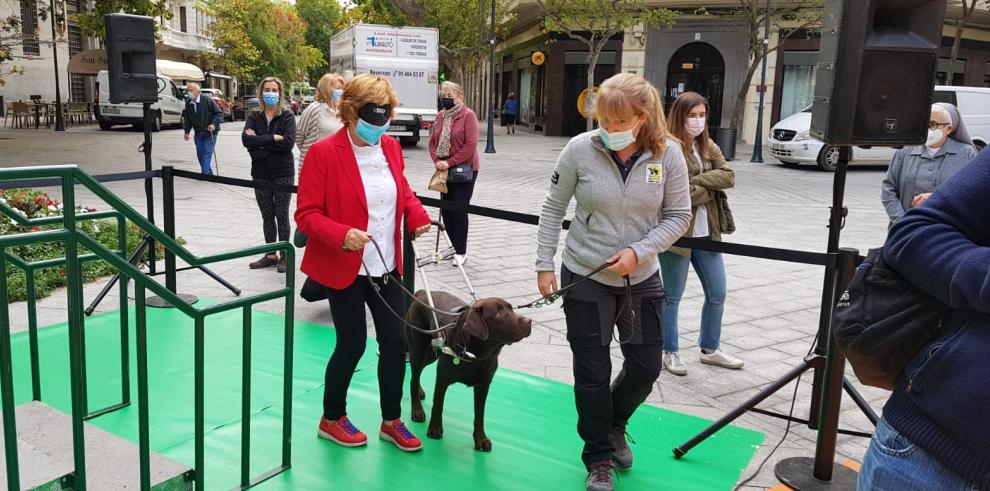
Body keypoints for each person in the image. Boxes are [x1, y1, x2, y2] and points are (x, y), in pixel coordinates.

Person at [535, 73, 691, 491]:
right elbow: (553, 208)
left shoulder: (669, 154)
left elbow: (679, 216)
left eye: (620, 122)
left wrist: (640, 251)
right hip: (585, 274)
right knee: (592, 370)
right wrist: (543, 264)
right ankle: (598, 457)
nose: (610, 130)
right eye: (603, 119)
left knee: (645, 366)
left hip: (640, 278)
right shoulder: (579, 150)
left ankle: (614, 424)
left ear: (643, 117)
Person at [295, 74, 432, 453]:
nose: (378, 128)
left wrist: (417, 214)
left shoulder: (389, 147)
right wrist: (341, 234)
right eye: (371, 121)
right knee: (351, 344)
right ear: (350, 114)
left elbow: (401, 188)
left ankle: (392, 420)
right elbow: (305, 215)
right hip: (345, 266)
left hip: (385, 263)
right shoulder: (324, 153)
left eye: (384, 119)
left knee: (395, 342)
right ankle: (332, 417)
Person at [858, 149, 990, 490]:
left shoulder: (961, 152)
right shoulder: (907, 153)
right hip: (933, 449)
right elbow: (915, 226)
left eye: (941, 123)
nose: (935, 129)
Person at [659, 92, 743, 376]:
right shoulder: (666, 147)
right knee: (672, 296)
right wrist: (706, 186)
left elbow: (729, 177)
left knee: (717, 292)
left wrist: (692, 181)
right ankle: (669, 350)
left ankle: (710, 348)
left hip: (709, 232)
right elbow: (670, 192)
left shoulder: (708, 146)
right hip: (677, 234)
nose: (697, 121)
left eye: (702, 115)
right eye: (691, 115)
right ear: (679, 116)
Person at [881, 102, 978, 227]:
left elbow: (973, 192)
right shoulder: (905, 151)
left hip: (948, 229)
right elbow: (888, 189)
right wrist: (902, 221)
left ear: (948, 129)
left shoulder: (966, 154)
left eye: (933, 125)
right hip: (906, 228)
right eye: (924, 124)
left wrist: (939, 198)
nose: (927, 129)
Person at [242, 77, 296, 273]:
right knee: (267, 215)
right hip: (260, 173)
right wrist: (273, 138)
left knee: (281, 214)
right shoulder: (254, 116)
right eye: (267, 89)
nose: (271, 93)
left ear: (280, 93)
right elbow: (246, 141)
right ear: (261, 92)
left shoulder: (287, 116)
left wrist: (260, 141)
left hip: (283, 173)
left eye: (274, 89)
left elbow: (289, 143)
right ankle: (270, 254)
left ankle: (284, 255)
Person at [429, 81, 479, 266]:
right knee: (447, 210)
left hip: (465, 169)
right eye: (443, 95)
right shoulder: (441, 116)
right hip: (443, 169)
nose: (446, 99)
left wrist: (449, 162)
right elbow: (433, 141)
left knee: (459, 210)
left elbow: (471, 145)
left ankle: (461, 250)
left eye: (450, 95)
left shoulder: (468, 116)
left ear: (460, 96)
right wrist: (437, 161)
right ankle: (451, 247)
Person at [296, 73, 345, 173]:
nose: (340, 91)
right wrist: (312, 153)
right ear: (326, 89)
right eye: (337, 88)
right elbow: (299, 136)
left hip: (335, 164)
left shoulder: (341, 110)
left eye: (341, 88)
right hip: (314, 165)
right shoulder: (314, 109)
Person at [182, 82, 223, 175]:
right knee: (200, 154)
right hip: (198, 132)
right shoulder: (188, 103)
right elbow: (188, 119)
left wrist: (213, 124)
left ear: (198, 91)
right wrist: (186, 131)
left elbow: (219, 113)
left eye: (191, 90)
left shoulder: (207, 100)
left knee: (206, 153)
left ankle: (205, 175)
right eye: (188, 91)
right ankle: (209, 173)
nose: (189, 92)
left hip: (210, 131)